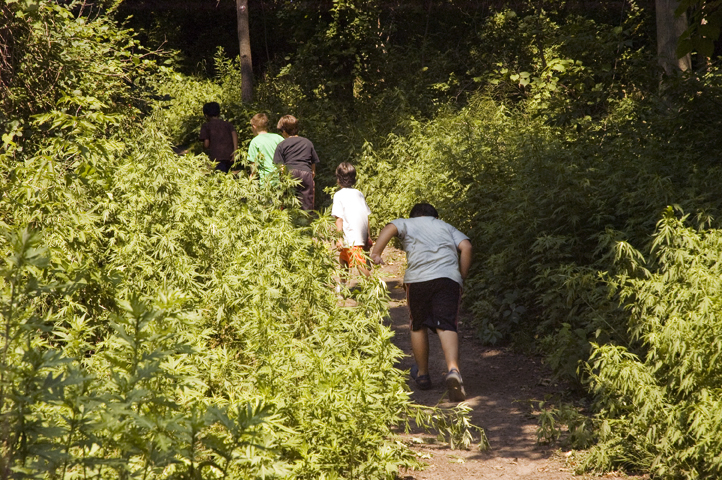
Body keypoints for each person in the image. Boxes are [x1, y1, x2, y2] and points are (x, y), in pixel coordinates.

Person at [370, 203, 472, 402]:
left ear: (414, 216)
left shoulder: (407, 223)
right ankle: (453, 370)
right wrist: (462, 276)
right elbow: (466, 246)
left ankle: (423, 375)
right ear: (435, 216)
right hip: (447, 279)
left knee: (418, 325)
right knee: (447, 324)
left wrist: (376, 253)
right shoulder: (446, 226)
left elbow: (390, 227)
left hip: (417, 281)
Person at [331, 162, 372, 279]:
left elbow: (339, 219)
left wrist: (339, 239)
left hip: (351, 236)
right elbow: (366, 215)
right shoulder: (359, 193)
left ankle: (372, 287)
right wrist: (368, 235)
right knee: (343, 258)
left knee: (359, 263)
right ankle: (343, 287)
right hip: (360, 234)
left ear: (338, 179)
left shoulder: (338, 195)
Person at [273, 115, 319, 211]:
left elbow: (280, 166)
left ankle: (290, 222)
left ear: (284, 132)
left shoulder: (281, 145)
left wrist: (282, 179)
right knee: (307, 203)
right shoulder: (307, 142)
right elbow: (313, 161)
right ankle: (307, 222)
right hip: (306, 173)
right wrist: (312, 173)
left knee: (288, 203)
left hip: (290, 173)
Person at [199, 102, 238, 173]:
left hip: (216, 157)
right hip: (229, 156)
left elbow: (206, 144)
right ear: (219, 113)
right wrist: (235, 151)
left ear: (206, 115)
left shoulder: (206, 126)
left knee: (219, 177)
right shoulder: (227, 124)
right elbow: (234, 134)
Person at [247, 113, 284, 187]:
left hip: (265, 181)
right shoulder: (278, 138)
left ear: (254, 127)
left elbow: (253, 166)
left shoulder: (255, 142)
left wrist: (251, 178)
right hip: (281, 180)